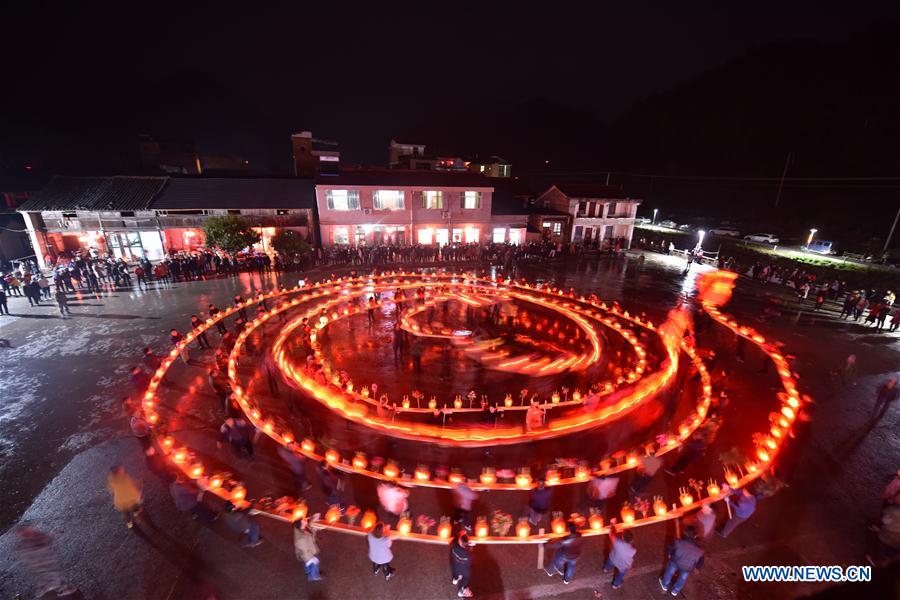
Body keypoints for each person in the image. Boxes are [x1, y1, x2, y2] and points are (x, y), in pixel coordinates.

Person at [14, 527, 78, 597]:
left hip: (43, 559)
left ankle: (49, 589)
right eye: (27, 532)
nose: (33, 530)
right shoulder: (29, 543)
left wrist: (57, 533)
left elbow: (48, 538)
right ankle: (61, 589)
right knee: (48, 573)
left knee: (47, 573)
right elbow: (46, 539)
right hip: (41, 560)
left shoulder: (36, 538)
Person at [660, 525, 705, 596]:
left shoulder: (678, 542)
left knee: (670, 572)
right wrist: (697, 568)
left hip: (675, 561)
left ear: (685, 533)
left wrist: (669, 554)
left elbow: (670, 548)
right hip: (687, 567)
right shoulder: (699, 550)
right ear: (695, 536)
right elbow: (701, 560)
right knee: (682, 578)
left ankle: (665, 585)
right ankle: (675, 591)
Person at [604, 518, 636, 590]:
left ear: (623, 537)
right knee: (620, 575)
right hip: (623, 565)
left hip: (613, 558)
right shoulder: (633, 550)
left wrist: (612, 524)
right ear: (632, 540)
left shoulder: (617, 542)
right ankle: (615, 585)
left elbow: (611, 535)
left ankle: (606, 569)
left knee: (609, 562)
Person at [450, 531, 474, 598]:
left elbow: (454, 540)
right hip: (464, 569)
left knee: (455, 572)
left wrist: (460, 533)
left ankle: (455, 579)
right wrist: (471, 547)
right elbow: (469, 563)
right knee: (466, 578)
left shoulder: (455, 547)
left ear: (460, 541)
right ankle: (462, 591)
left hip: (455, 565)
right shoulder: (468, 554)